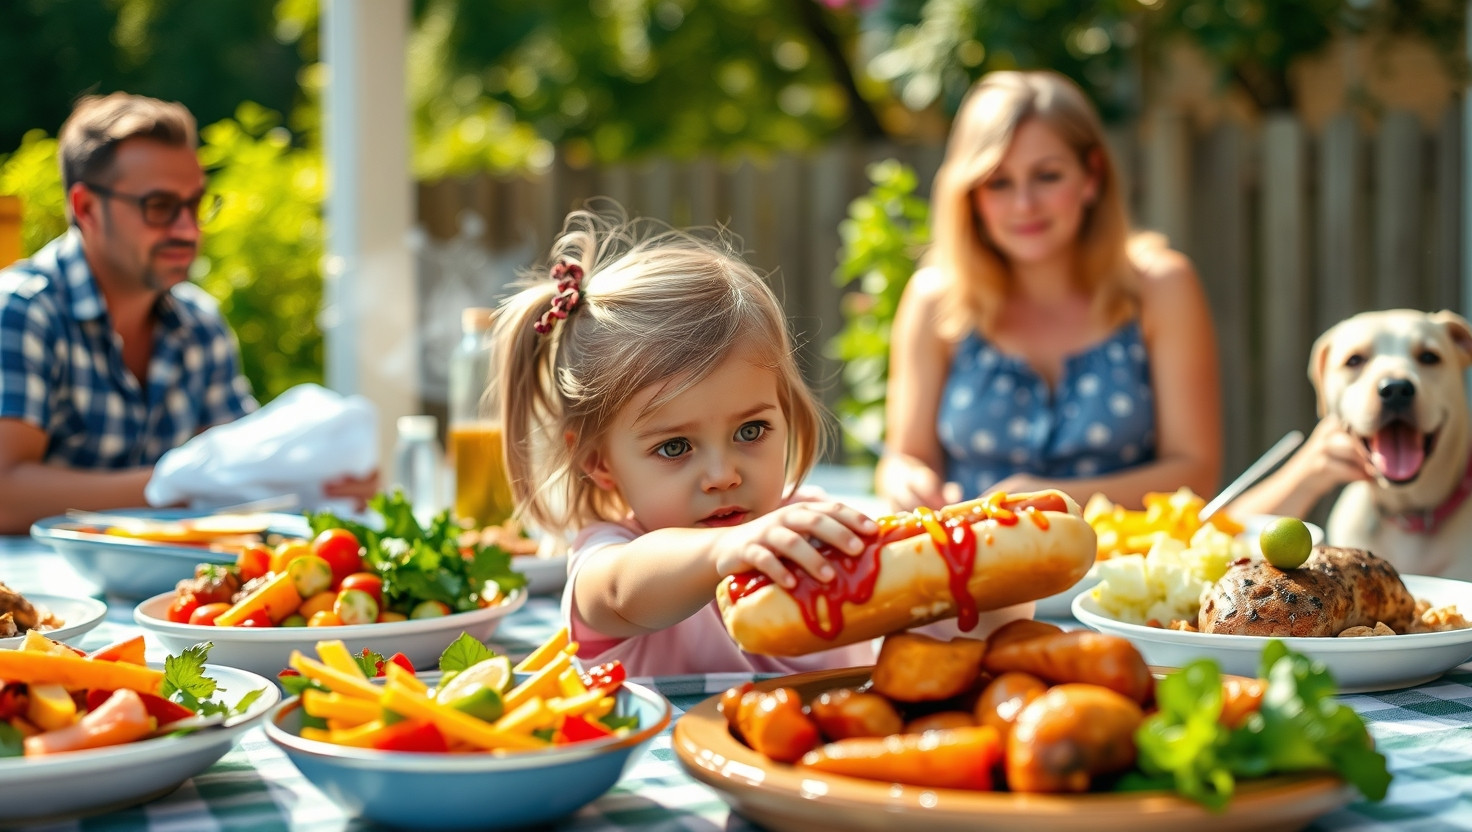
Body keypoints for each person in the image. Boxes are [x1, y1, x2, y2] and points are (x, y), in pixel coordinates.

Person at [494, 209, 1028, 676]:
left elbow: (939, 625)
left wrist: (989, 587)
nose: (723, 473)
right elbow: (615, 593)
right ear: (599, 462)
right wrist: (726, 550)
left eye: (751, 431)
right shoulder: (611, 551)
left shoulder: (816, 531)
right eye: (675, 447)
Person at [0, 93, 369, 533]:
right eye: (159, 207)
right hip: (41, 598)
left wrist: (323, 481)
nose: (188, 229)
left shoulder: (200, 324)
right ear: (87, 208)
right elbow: (5, 495)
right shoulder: (22, 310)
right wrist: (172, 486)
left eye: (195, 205)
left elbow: (241, 466)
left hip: (168, 595)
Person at [878, 70, 1221, 512]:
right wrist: (904, 478)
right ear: (970, 197)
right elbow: (904, 457)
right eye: (999, 182)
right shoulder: (933, 297)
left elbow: (1196, 474)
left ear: (1091, 176)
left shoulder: (1163, 286)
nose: (1025, 205)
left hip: (1126, 572)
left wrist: (1052, 501)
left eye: (1047, 176)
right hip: (974, 571)